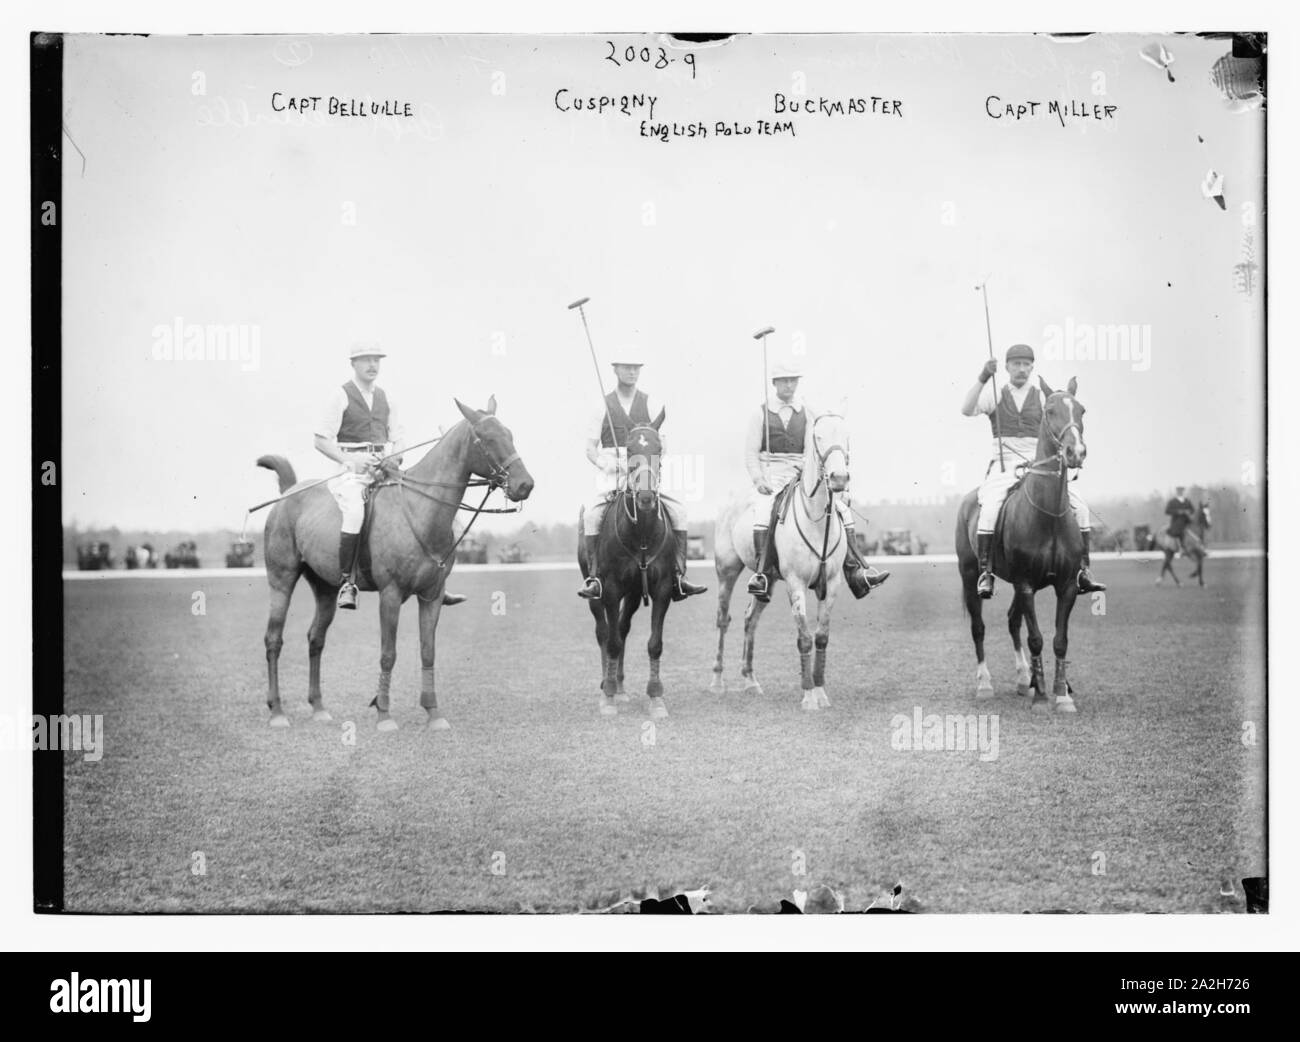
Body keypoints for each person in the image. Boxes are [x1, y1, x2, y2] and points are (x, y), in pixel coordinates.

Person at [314, 344, 465, 610]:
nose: (372, 365)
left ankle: (436, 579)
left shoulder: (388, 398)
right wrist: (352, 461)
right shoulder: (341, 396)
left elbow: (398, 438)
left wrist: (394, 457)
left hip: (385, 469)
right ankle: (348, 583)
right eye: (365, 360)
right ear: (353, 364)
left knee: (432, 508)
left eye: (376, 360)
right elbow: (321, 441)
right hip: (351, 472)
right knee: (354, 513)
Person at [960, 343, 1105, 598]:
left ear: (1032, 367)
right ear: (1006, 367)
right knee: (991, 507)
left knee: (1080, 506)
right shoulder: (996, 393)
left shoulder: (1041, 397)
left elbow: (1061, 416)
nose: (1021, 369)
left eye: (1026, 364)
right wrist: (983, 377)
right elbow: (966, 408)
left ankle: (1083, 570)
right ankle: (986, 571)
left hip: (1038, 463)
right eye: (1016, 364)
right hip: (1004, 466)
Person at [743, 359, 890, 602]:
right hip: (772, 476)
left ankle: (855, 572)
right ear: (775, 383)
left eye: (793, 380)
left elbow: (815, 450)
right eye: (784, 381)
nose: (789, 386)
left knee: (843, 508)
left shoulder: (808, 412)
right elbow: (750, 452)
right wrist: (758, 478)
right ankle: (763, 574)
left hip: (801, 475)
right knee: (763, 510)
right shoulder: (760, 413)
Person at [577, 351, 707, 601]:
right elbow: (590, 449)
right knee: (593, 515)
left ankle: (679, 576)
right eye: (626, 367)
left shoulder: (651, 403)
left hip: (645, 469)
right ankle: (595, 578)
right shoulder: (601, 406)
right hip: (612, 470)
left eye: (636, 367)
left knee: (679, 511)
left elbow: (663, 443)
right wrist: (607, 463)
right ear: (615, 370)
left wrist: (646, 463)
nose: (632, 372)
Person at [1165, 485, 1195, 555]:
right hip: (1176, 522)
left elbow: (1192, 510)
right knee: (1179, 531)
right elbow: (1167, 511)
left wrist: (1188, 511)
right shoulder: (1172, 501)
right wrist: (1178, 512)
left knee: (1196, 528)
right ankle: (1181, 548)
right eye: (1179, 491)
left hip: (1186, 520)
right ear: (1177, 492)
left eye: (1181, 491)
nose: (1180, 492)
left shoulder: (1187, 501)